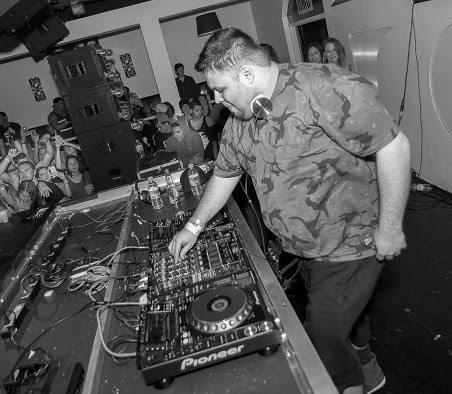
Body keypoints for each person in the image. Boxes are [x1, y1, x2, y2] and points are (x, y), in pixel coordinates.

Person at [168, 28, 410, 394]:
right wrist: (193, 226)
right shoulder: (238, 121)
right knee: (346, 313)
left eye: (221, 89)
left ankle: (349, 383)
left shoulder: (322, 86)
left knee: (322, 335)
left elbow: (393, 146)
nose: (215, 99)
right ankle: (366, 360)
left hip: (351, 240)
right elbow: (224, 174)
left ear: (247, 74)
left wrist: (390, 228)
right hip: (302, 248)